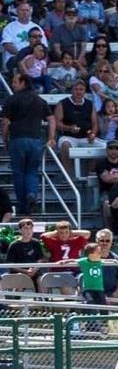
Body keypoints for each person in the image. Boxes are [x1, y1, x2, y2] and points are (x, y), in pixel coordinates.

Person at [2, 71, 55, 213]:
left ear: (23, 83)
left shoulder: (11, 100)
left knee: (19, 173)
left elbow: (6, 123)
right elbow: (51, 119)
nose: (12, 85)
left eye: (15, 82)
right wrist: (51, 138)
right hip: (35, 140)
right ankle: (32, 193)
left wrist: (5, 139)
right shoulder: (39, 100)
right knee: (32, 171)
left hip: (17, 139)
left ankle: (23, 205)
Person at [53, 79, 97, 161]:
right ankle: (68, 173)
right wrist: (69, 128)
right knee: (65, 145)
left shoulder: (90, 104)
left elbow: (94, 124)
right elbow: (57, 124)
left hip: (86, 137)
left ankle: (88, 173)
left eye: (81, 89)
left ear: (84, 91)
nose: (79, 92)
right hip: (68, 137)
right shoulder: (62, 103)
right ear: (72, 90)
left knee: (102, 147)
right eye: (76, 89)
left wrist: (93, 134)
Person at [2, 218, 49, 283]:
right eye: (26, 228)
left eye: (30, 228)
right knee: (21, 280)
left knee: (41, 280)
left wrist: (34, 269)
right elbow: (11, 264)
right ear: (20, 230)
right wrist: (24, 271)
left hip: (34, 272)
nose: (29, 231)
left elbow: (40, 259)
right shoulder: (14, 245)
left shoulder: (36, 243)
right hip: (19, 273)